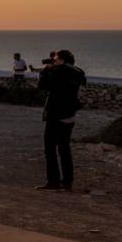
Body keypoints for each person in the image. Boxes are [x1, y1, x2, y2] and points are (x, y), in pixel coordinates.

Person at [36, 50, 86, 192]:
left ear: (62, 60)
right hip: (69, 114)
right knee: (64, 149)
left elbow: (43, 86)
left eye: (56, 59)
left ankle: (53, 181)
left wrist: (45, 71)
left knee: (50, 149)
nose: (54, 61)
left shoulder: (59, 72)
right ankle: (67, 182)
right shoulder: (77, 72)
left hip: (56, 114)